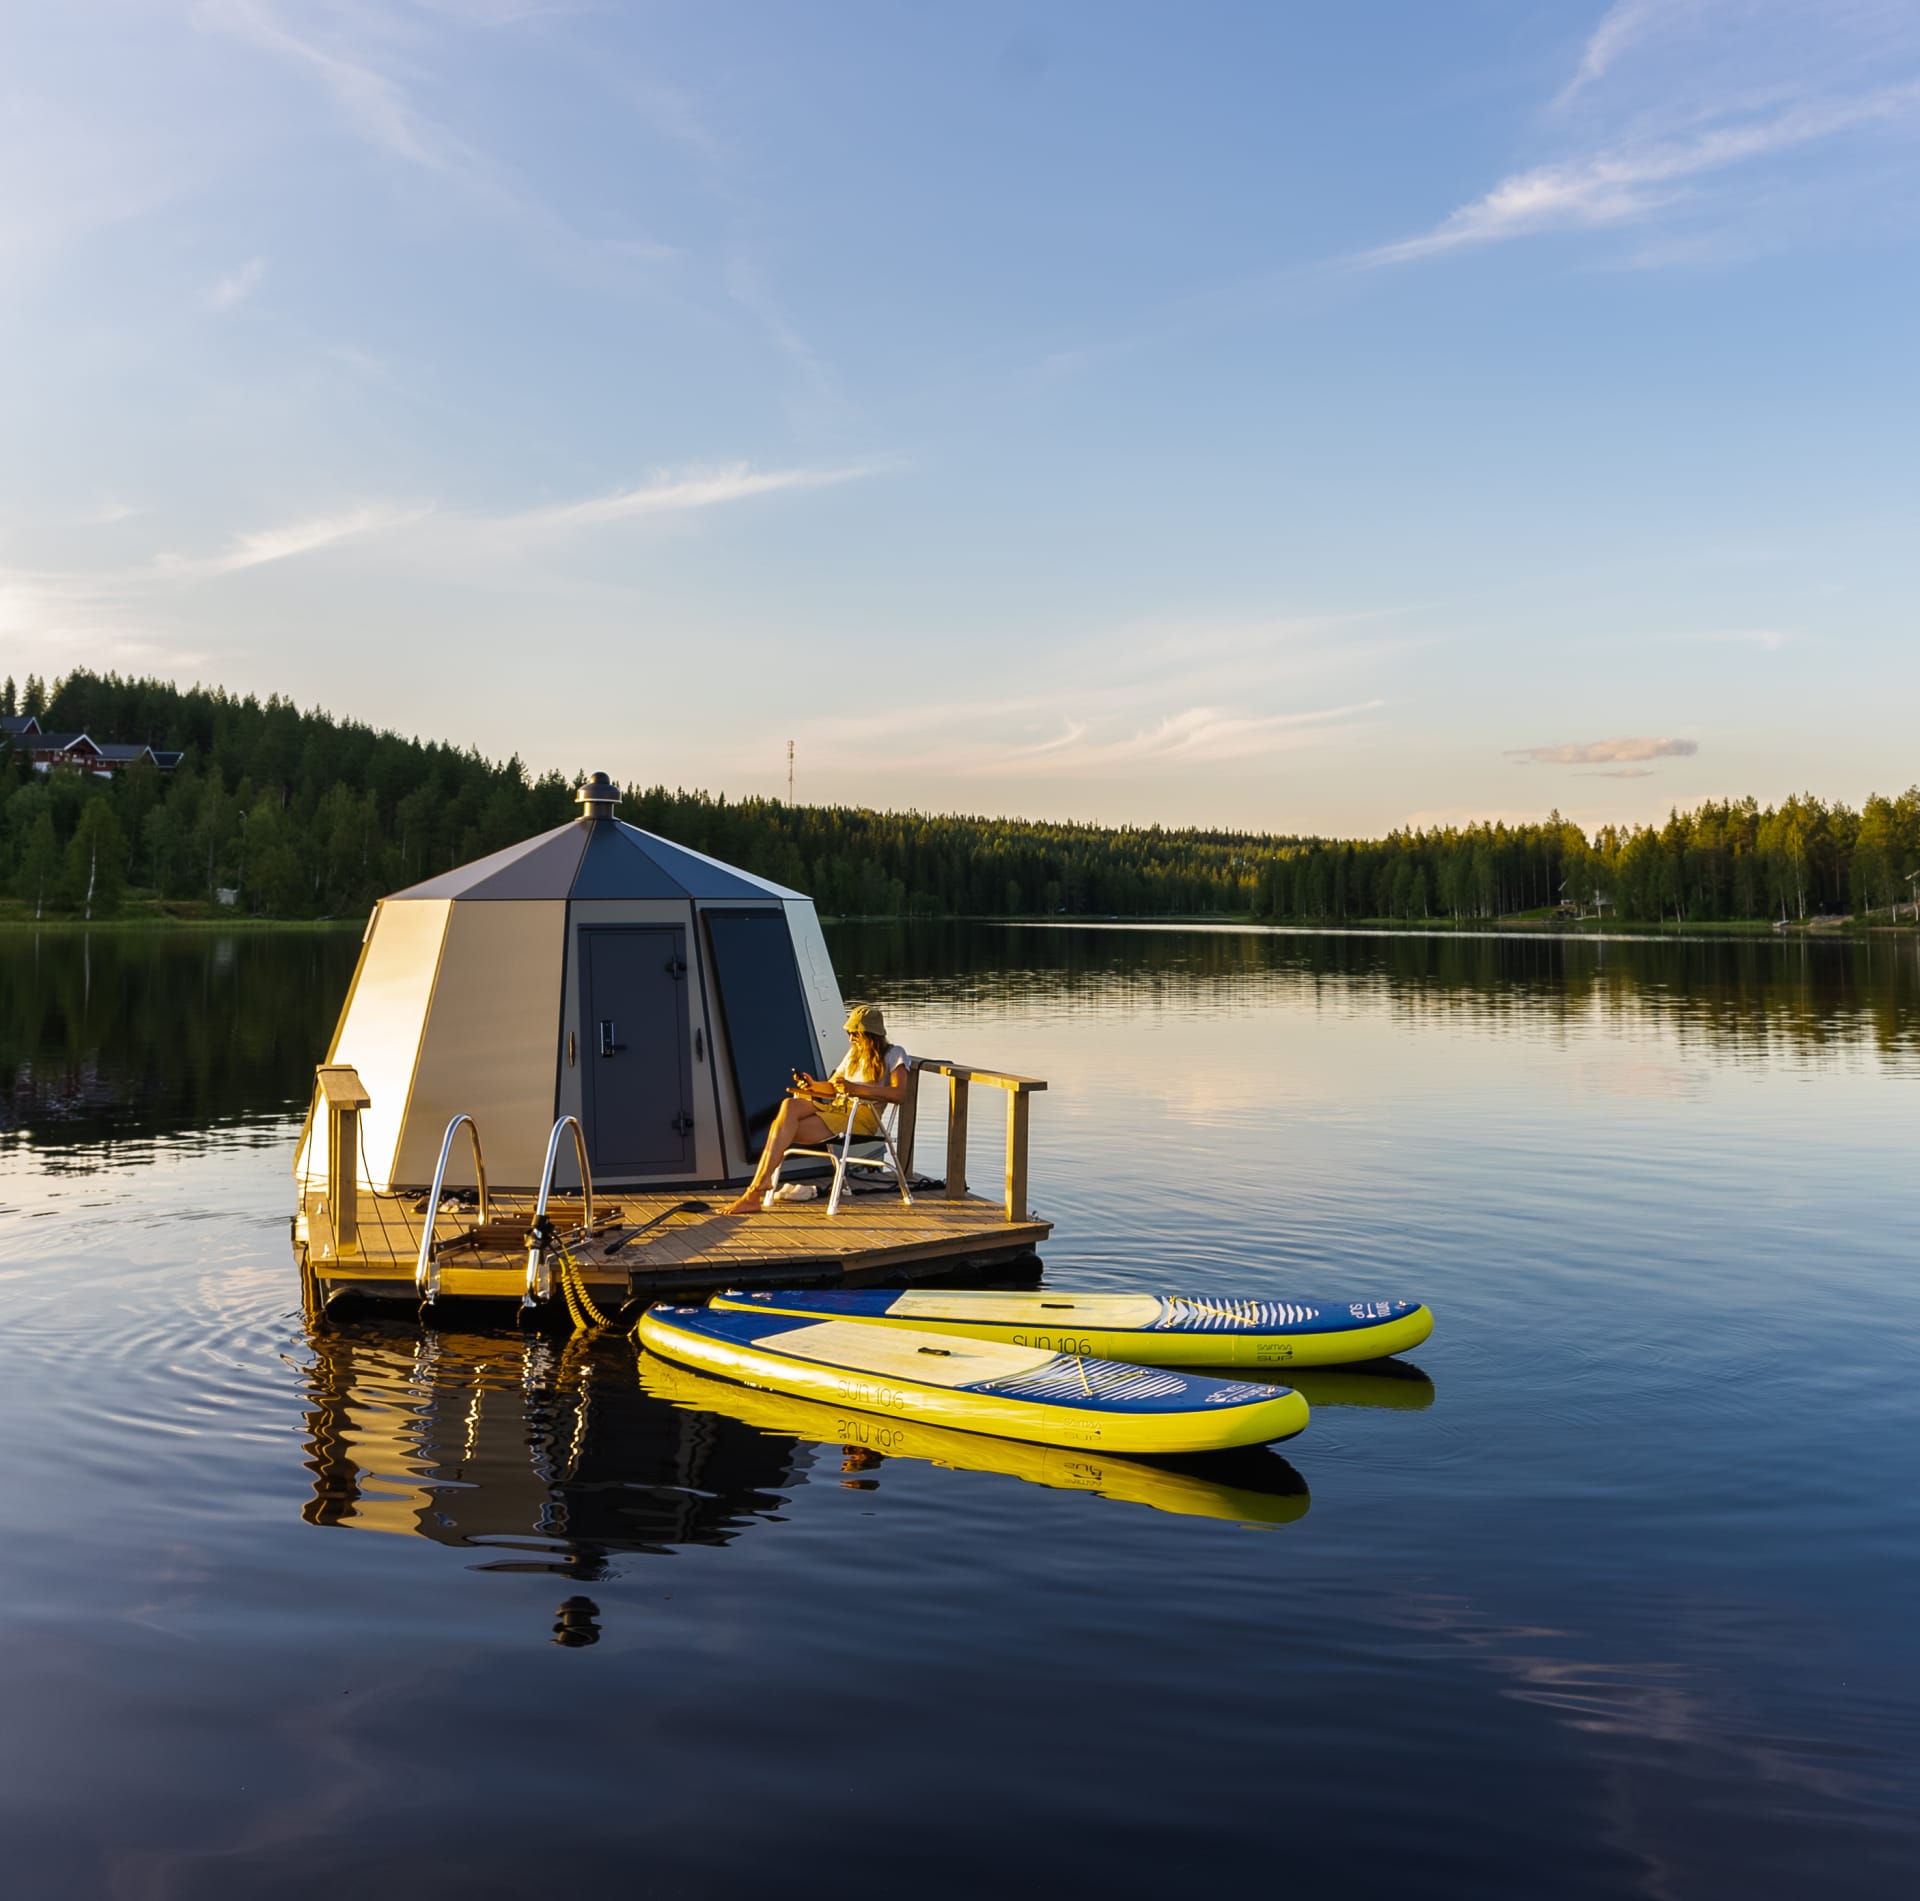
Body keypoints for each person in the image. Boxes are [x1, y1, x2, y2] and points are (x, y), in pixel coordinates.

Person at [724, 1004, 910, 1214]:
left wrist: (856, 1089)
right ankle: (759, 1185)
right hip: (837, 1109)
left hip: (862, 1117)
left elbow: (899, 1095)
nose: (850, 1038)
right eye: (849, 1033)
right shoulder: (854, 1055)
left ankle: (754, 1191)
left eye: (854, 1033)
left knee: (781, 1129)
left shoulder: (894, 1054)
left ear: (870, 1034)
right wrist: (812, 1085)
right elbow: (832, 1088)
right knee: (789, 1105)